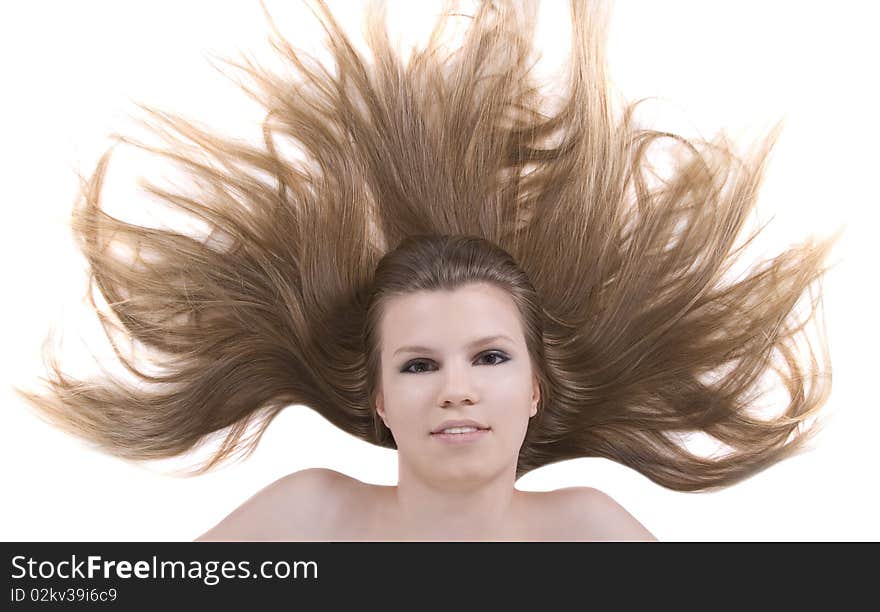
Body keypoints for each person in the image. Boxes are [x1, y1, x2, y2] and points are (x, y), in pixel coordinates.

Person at [14, 0, 840, 541]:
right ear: (376, 398)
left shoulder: (591, 533)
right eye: (418, 364)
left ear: (537, 388)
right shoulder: (313, 515)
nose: (457, 389)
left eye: (490, 356)